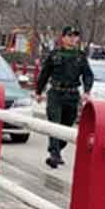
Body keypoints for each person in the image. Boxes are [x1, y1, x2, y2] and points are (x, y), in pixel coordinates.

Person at [35, 25, 94, 169]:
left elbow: (88, 75)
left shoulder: (80, 57)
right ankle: (54, 154)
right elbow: (44, 74)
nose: (73, 38)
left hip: (72, 95)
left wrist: (87, 90)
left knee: (67, 126)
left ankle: (57, 149)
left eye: (75, 36)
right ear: (63, 38)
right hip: (56, 93)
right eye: (69, 35)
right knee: (54, 123)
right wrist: (39, 92)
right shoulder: (54, 55)